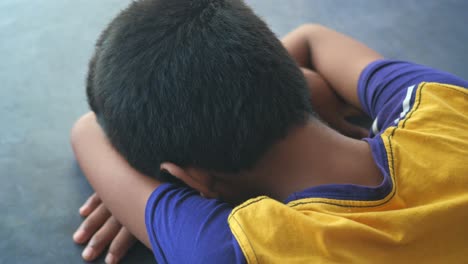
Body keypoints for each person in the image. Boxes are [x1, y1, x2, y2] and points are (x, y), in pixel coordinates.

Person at [71, 0, 468, 263]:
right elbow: (314, 38)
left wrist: (132, 185)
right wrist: (304, 83)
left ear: (193, 180)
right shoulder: (445, 108)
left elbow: (86, 132)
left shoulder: (237, 249)